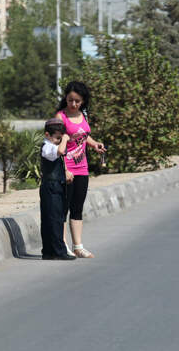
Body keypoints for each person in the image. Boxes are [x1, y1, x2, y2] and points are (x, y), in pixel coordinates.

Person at [56, 81, 105, 258]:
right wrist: (64, 169)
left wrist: (94, 144)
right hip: (67, 169)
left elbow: (83, 135)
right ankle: (63, 246)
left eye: (77, 101)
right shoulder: (61, 117)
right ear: (66, 99)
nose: (74, 104)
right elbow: (56, 143)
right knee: (64, 208)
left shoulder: (83, 114)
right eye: (70, 100)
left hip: (82, 168)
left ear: (83, 101)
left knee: (77, 208)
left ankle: (78, 246)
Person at [40, 118, 76, 260]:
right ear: (47, 135)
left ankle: (50, 251)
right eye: (57, 138)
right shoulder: (47, 147)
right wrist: (65, 139)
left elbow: (60, 158)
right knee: (53, 219)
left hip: (57, 185)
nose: (59, 141)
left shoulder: (53, 146)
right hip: (50, 186)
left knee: (55, 217)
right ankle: (58, 251)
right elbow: (61, 151)